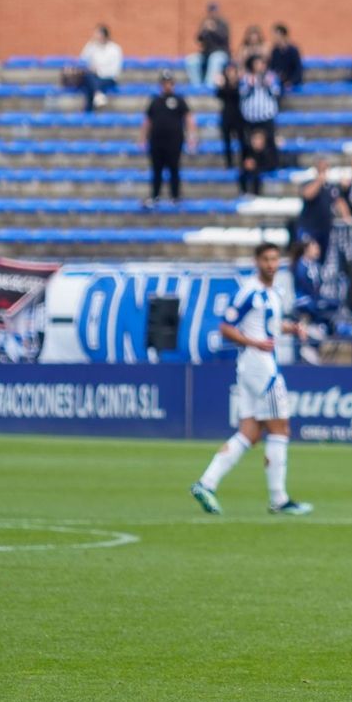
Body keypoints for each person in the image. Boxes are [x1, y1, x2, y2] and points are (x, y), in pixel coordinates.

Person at [190, 242, 314, 517]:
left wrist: (292, 328)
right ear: (257, 262)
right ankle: (279, 499)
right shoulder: (249, 292)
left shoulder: (274, 293)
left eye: (275, 259)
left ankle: (206, 483)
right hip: (260, 366)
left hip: (252, 366)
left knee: (250, 432)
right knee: (280, 428)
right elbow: (226, 327)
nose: (271, 264)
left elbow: (270, 325)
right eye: (266, 259)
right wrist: (254, 342)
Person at [141, 71, 195, 207]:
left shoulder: (179, 100)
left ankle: (175, 196)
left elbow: (188, 118)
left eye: (170, 83)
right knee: (156, 169)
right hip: (156, 141)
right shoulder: (155, 101)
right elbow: (148, 121)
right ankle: (155, 196)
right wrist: (143, 138)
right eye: (164, 83)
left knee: (174, 168)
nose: (167, 86)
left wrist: (191, 137)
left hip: (174, 141)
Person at [78, 25, 122, 112]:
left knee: (90, 83)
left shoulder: (115, 49)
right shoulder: (91, 47)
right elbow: (83, 60)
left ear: (104, 35)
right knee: (89, 78)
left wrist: (98, 71)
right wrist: (90, 46)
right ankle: (98, 94)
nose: (95, 37)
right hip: (92, 77)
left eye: (98, 34)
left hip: (108, 77)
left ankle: (89, 108)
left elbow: (115, 70)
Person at [186, 3, 229, 87]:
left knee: (214, 59)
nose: (213, 14)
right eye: (211, 11)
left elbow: (223, 38)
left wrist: (214, 29)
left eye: (214, 11)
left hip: (221, 53)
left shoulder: (223, 23)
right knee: (191, 61)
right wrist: (204, 29)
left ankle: (209, 87)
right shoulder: (205, 23)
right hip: (206, 54)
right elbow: (199, 39)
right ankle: (197, 87)